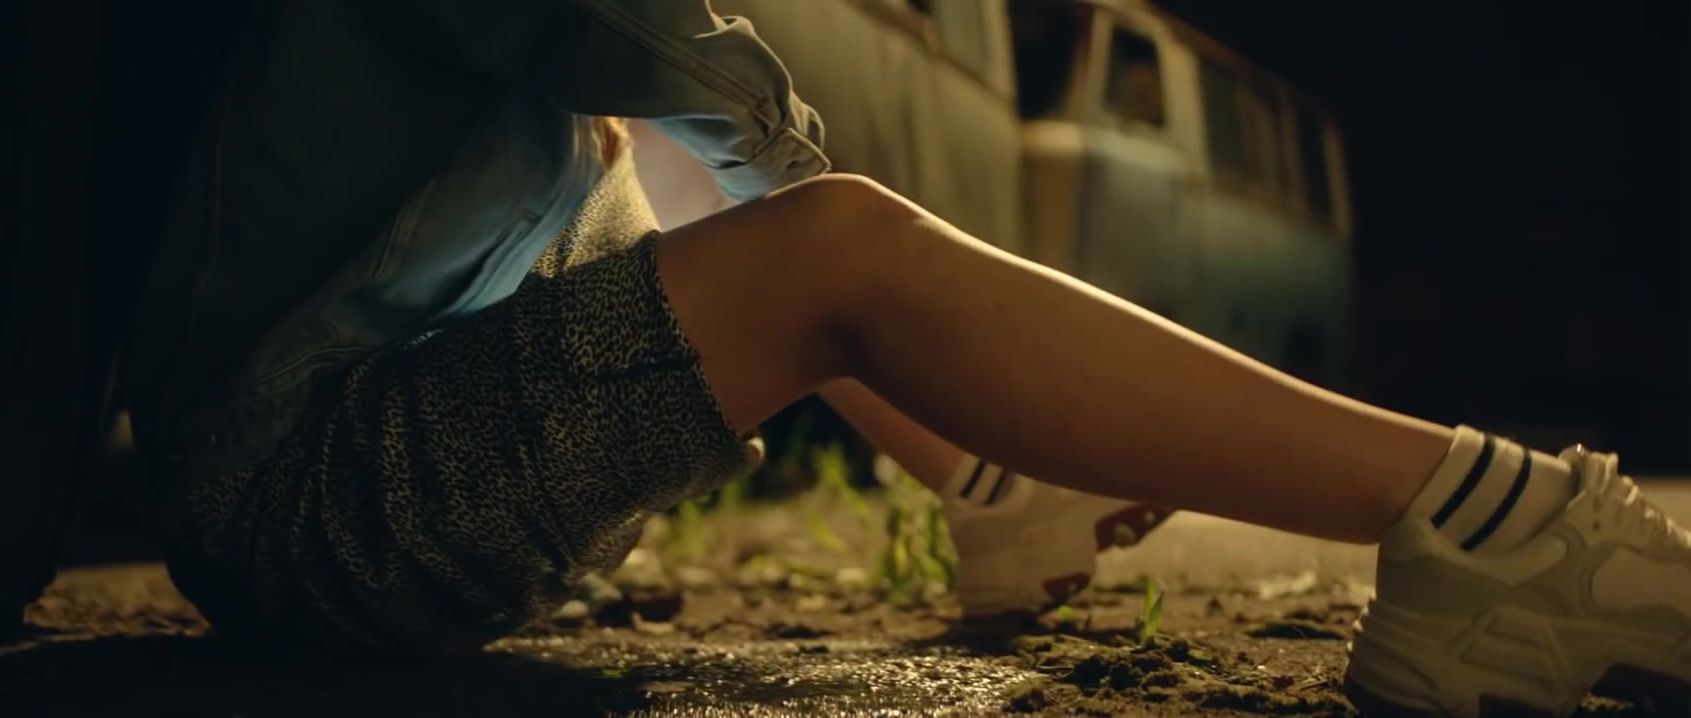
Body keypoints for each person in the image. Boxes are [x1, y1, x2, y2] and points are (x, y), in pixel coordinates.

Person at [122, 1, 1686, 715]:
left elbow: (681, 180)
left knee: (715, 202)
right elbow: (677, 60)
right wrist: (820, 200)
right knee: (832, 242)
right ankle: (1492, 521)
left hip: (353, 488)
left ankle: (994, 491)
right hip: (318, 506)